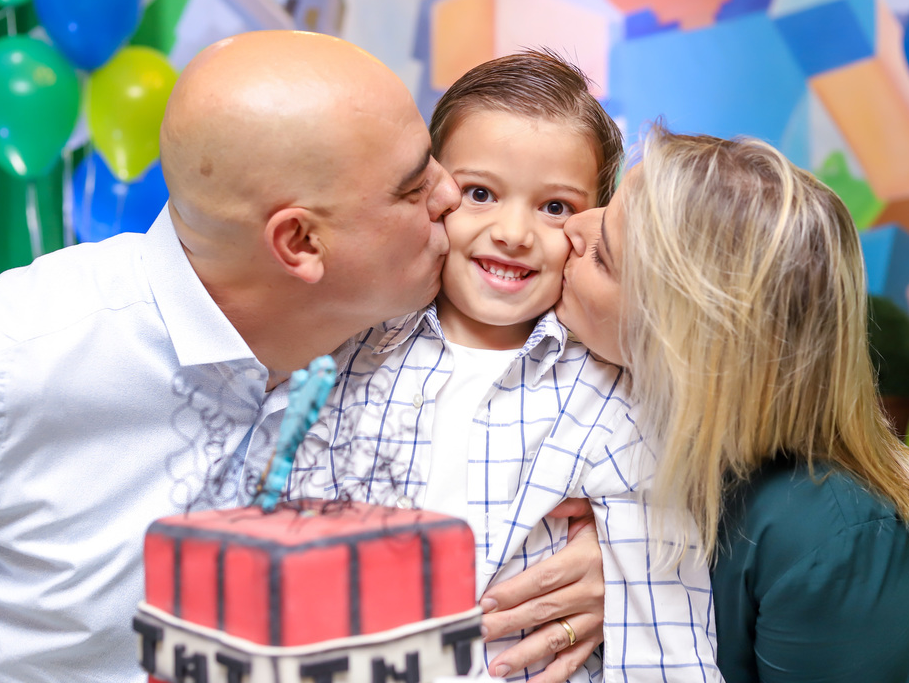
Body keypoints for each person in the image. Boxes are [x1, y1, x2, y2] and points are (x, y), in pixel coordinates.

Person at [0, 32, 604, 683]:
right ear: (300, 246)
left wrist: (615, 553)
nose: (452, 200)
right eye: (417, 186)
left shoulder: (379, 328)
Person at [292, 52, 719, 683]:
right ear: (431, 191)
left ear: (592, 225)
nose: (513, 232)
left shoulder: (613, 395)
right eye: (480, 194)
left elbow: (665, 633)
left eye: (554, 207)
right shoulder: (349, 346)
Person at [558, 126, 909, 682]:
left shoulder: (839, 531)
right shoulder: (615, 402)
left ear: (682, 345)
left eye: (603, 256)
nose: (570, 227)